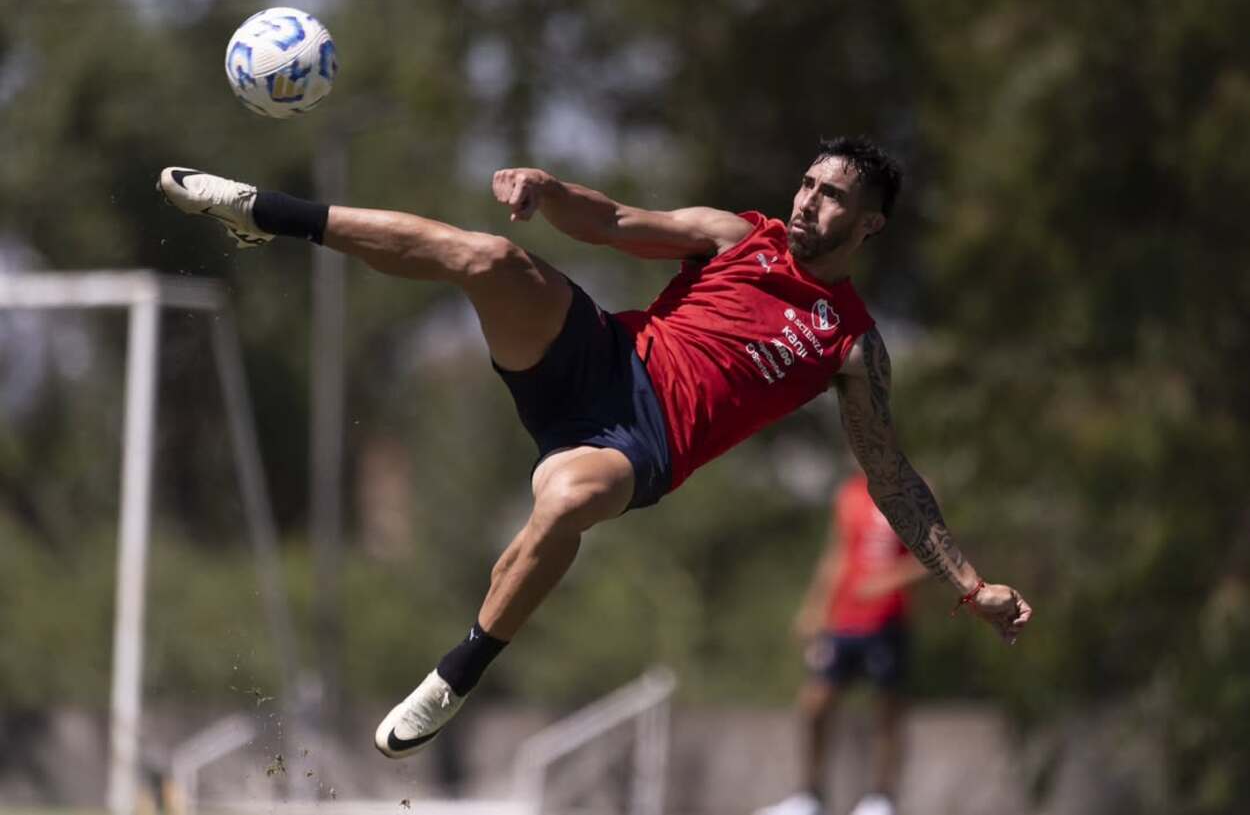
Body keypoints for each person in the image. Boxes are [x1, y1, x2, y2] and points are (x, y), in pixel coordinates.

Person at [156, 136, 1032, 759]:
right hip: (601, 354)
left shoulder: (850, 343)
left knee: (568, 500)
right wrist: (548, 188)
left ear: (871, 223)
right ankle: (262, 213)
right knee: (489, 254)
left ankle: (458, 673)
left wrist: (969, 583)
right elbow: (614, 220)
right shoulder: (740, 236)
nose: (808, 201)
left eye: (832, 195)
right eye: (807, 183)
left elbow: (890, 472)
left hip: (639, 441)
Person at [758, 472, 928, 815]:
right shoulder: (848, 492)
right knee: (815, 703)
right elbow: (837, 553)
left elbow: (932, 557)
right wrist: (815, 607)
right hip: (845, 620)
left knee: (886, 709)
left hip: (887, 621)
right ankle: (809, 796)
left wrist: (887, 580)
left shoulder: (910, 491)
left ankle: (882, 798)